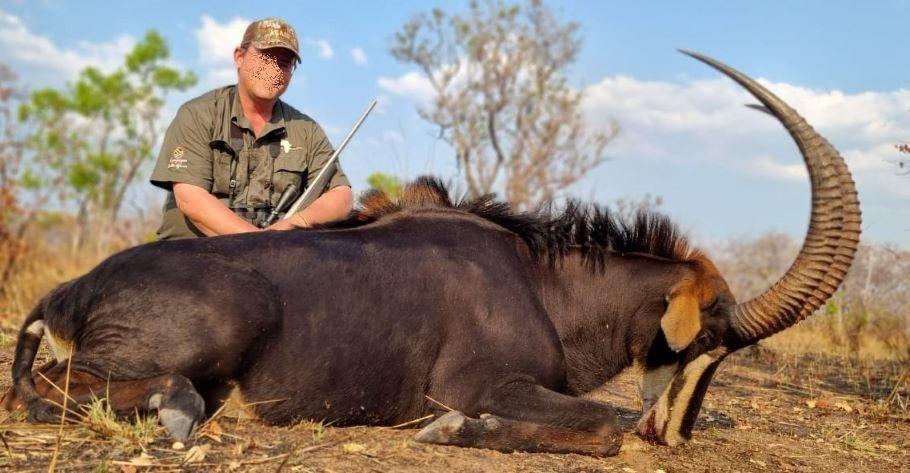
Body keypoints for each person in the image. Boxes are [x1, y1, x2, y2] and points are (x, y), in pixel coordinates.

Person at [150, 17, 353, 239]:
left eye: (284, 64)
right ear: (239, 57)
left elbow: (341, 195)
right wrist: (257, 244)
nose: (273, 70)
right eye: (265, 58)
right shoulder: (197, 115)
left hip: (276, 256)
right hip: (196, 254)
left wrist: (294, 224)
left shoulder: (306, 130)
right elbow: (190, 198)